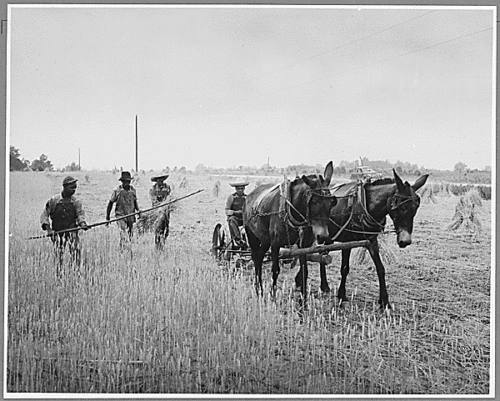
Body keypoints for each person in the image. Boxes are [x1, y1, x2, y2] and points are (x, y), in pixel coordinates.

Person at [40, 176, 89, 274]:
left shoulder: (76, 202)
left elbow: (80, 215)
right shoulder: (54, 201)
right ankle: (59, 276)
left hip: (72, 231)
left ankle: (75, 274)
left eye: (75, 188)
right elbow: (44, 216)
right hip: (58, 232)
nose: (74, 190)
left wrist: (83, 224)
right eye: (72, 187)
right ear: (64, 187)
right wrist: (49, 229)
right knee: (59, 255)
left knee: (76, 254)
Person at [106, 171, 141, 246]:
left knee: (130, 233)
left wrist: (138, 211)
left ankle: (130, 248)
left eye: (128, 181)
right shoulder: (117, 190)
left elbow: (135, 202)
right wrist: (107, 217)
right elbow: (110, 203)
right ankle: (122, 249)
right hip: (120, 215)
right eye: (124, 181)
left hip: (131, 214)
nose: (126, 183)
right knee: (123, 232)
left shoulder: (133, 190)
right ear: (122, 181)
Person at [225, 181, 249, 249]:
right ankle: (238, 240)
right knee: (231, 220)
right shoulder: (231, 197)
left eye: (242, 188)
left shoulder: (247, 198)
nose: (240, 190)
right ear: (236, 189)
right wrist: (231, 212)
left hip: (245, 218)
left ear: (244, 189)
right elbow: (227, 210)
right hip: (235, 218)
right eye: (239, 189)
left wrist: (235, 212)